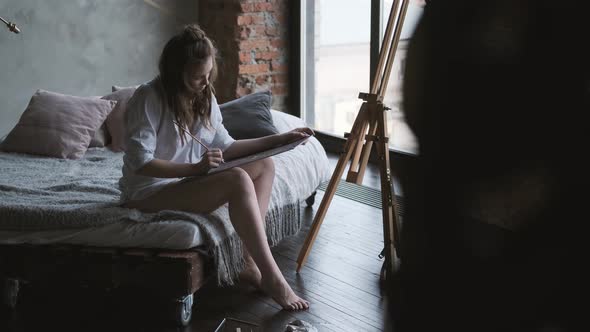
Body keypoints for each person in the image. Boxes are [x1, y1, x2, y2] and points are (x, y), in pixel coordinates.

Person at [119, 24, 311, 311]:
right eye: (198, 76)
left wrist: (281, 138)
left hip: (184, 183)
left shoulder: (203, 98)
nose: (205, 82)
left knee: (264, 166)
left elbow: (228, 146)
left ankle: (247, 259)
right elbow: (141, 162)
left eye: (208, 74)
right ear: (175, 72)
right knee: (237, 180)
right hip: (148, 192)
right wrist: (195, 169)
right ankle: (273, 277)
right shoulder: (148, 98)